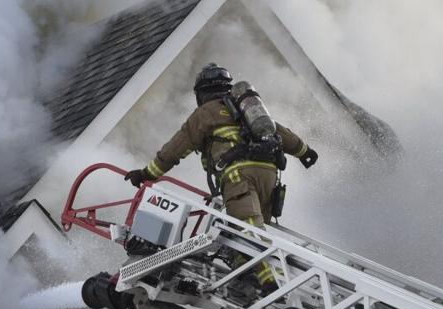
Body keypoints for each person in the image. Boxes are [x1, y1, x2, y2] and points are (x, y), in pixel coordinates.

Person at [126, 63, 318, 292]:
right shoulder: (248, 110)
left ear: (201, 93)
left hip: (239, 176)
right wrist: (304, 151)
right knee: (238, 232)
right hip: (269, 175)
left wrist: (147, 174)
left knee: (249, 231)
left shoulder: (206, 112)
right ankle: (246, 276)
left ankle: (269, 283)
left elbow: (175, 149)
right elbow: (280, 132)